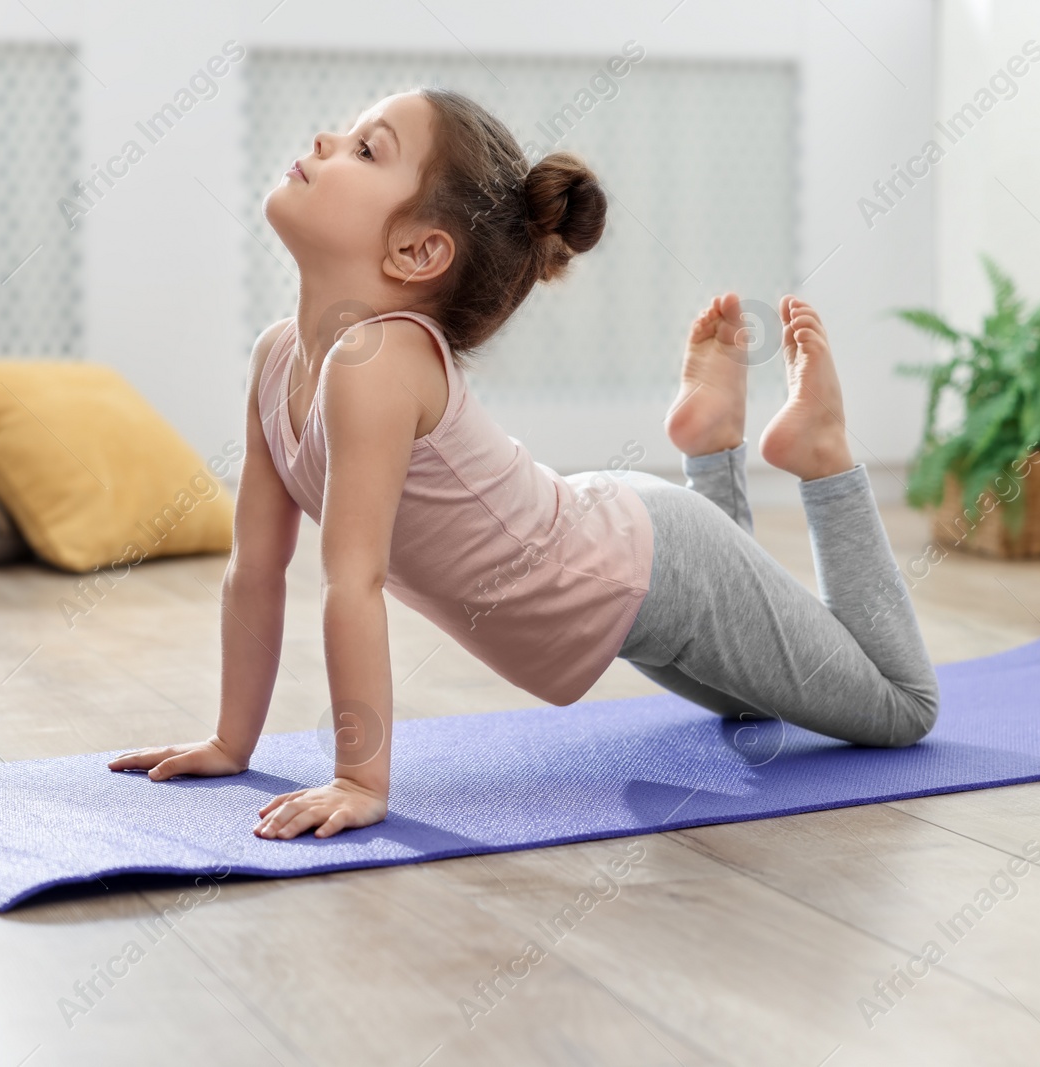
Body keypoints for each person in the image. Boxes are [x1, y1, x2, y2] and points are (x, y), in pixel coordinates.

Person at [108, 88, 939, 839]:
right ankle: (712, 447)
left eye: (367, 148)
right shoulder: (276, 357)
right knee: (756, 701)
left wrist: (361, 779)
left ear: (419, 252)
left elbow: (352, 581)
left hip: (649, 565)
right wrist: (231, 740)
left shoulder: (375, 362)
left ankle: (823, 454)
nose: (327, 137)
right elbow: (254, 569)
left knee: (901, 709)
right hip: (622, 566)